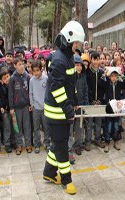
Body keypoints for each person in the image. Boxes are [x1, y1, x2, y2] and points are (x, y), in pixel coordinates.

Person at [42, 20, 85, 195]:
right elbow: (57, 88)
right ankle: (66, 180)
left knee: (58, 143)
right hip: (56, 112)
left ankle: (49, 173)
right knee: (61, 146)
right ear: (69, 41)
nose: (77, 46)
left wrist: (74, 100)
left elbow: (69, 83)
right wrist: (68, 110)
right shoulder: (60, 59)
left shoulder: (66, 56)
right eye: (76, 43)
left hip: (62, 110)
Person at [99, 67, 125, 153]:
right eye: (112, 76)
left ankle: (116, 141)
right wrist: (104, 74)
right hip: (108, 108)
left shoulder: (119, 84)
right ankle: (107, 142)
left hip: (117, 109)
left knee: (116, 126)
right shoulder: (107, 84)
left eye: (115, 76)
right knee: (108, 126)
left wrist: (122, 75)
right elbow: (100, 83)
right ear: (109, 77)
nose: (114, 77)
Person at [9, 57, 32, 155]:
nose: (22, 66)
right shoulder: (12, 78)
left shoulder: (27, 76)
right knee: (17, 127)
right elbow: (10, 94)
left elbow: (30, 91)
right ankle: (19, 145)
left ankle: (28, 144)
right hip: (17, 107)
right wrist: (11, 107)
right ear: (14, 66)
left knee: (27, 126)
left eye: (23, 64)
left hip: (26, 106)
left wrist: (30, 104)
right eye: (19, 64)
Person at [85, 51, 105, 150]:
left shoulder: (102, 73)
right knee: (89, 122)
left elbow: (103, 88)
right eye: (94, 59)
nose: (96, 61)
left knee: (98, 122)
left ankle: (97, 139)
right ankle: (88, 141)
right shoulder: (87, 73)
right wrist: (92, 100)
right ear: (91, 60)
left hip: (100, 102)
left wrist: (100, 100)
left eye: (97, 59)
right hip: (90, 102)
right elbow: (87, 88)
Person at [29, 60, 50, 154]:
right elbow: (31, 93)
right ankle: (37, 144)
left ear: (41, 69)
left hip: (45, 108)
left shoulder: (46, 78)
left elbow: (49, 93)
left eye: (37, 70)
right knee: (36, 128)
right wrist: (32, 104)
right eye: (34, 71)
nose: (35, 73)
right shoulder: (32, 80)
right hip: (36, 109)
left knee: (46, 127)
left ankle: (47, 143)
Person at [73, 54, 89, 156]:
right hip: (71, 107)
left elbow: (85, 91)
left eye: (80, 65)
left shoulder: (83, 77)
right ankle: (69, 146)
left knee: (79, 127)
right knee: (70, 128)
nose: (78, 67)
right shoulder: (70, 78)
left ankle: (78, 145)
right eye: (76, 65)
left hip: (81, 106)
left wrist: (85, 105)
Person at [0, 68, 13, 153]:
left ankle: (13, 142)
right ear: (1, 80)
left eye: (8, 76)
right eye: (4, 78)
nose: (7, 79)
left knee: (14, 127)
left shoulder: (12, 84)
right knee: (7, 127)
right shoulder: (1, 88)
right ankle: (7, 144)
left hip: (13, 109)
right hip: (6, 110)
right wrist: (1, 107)